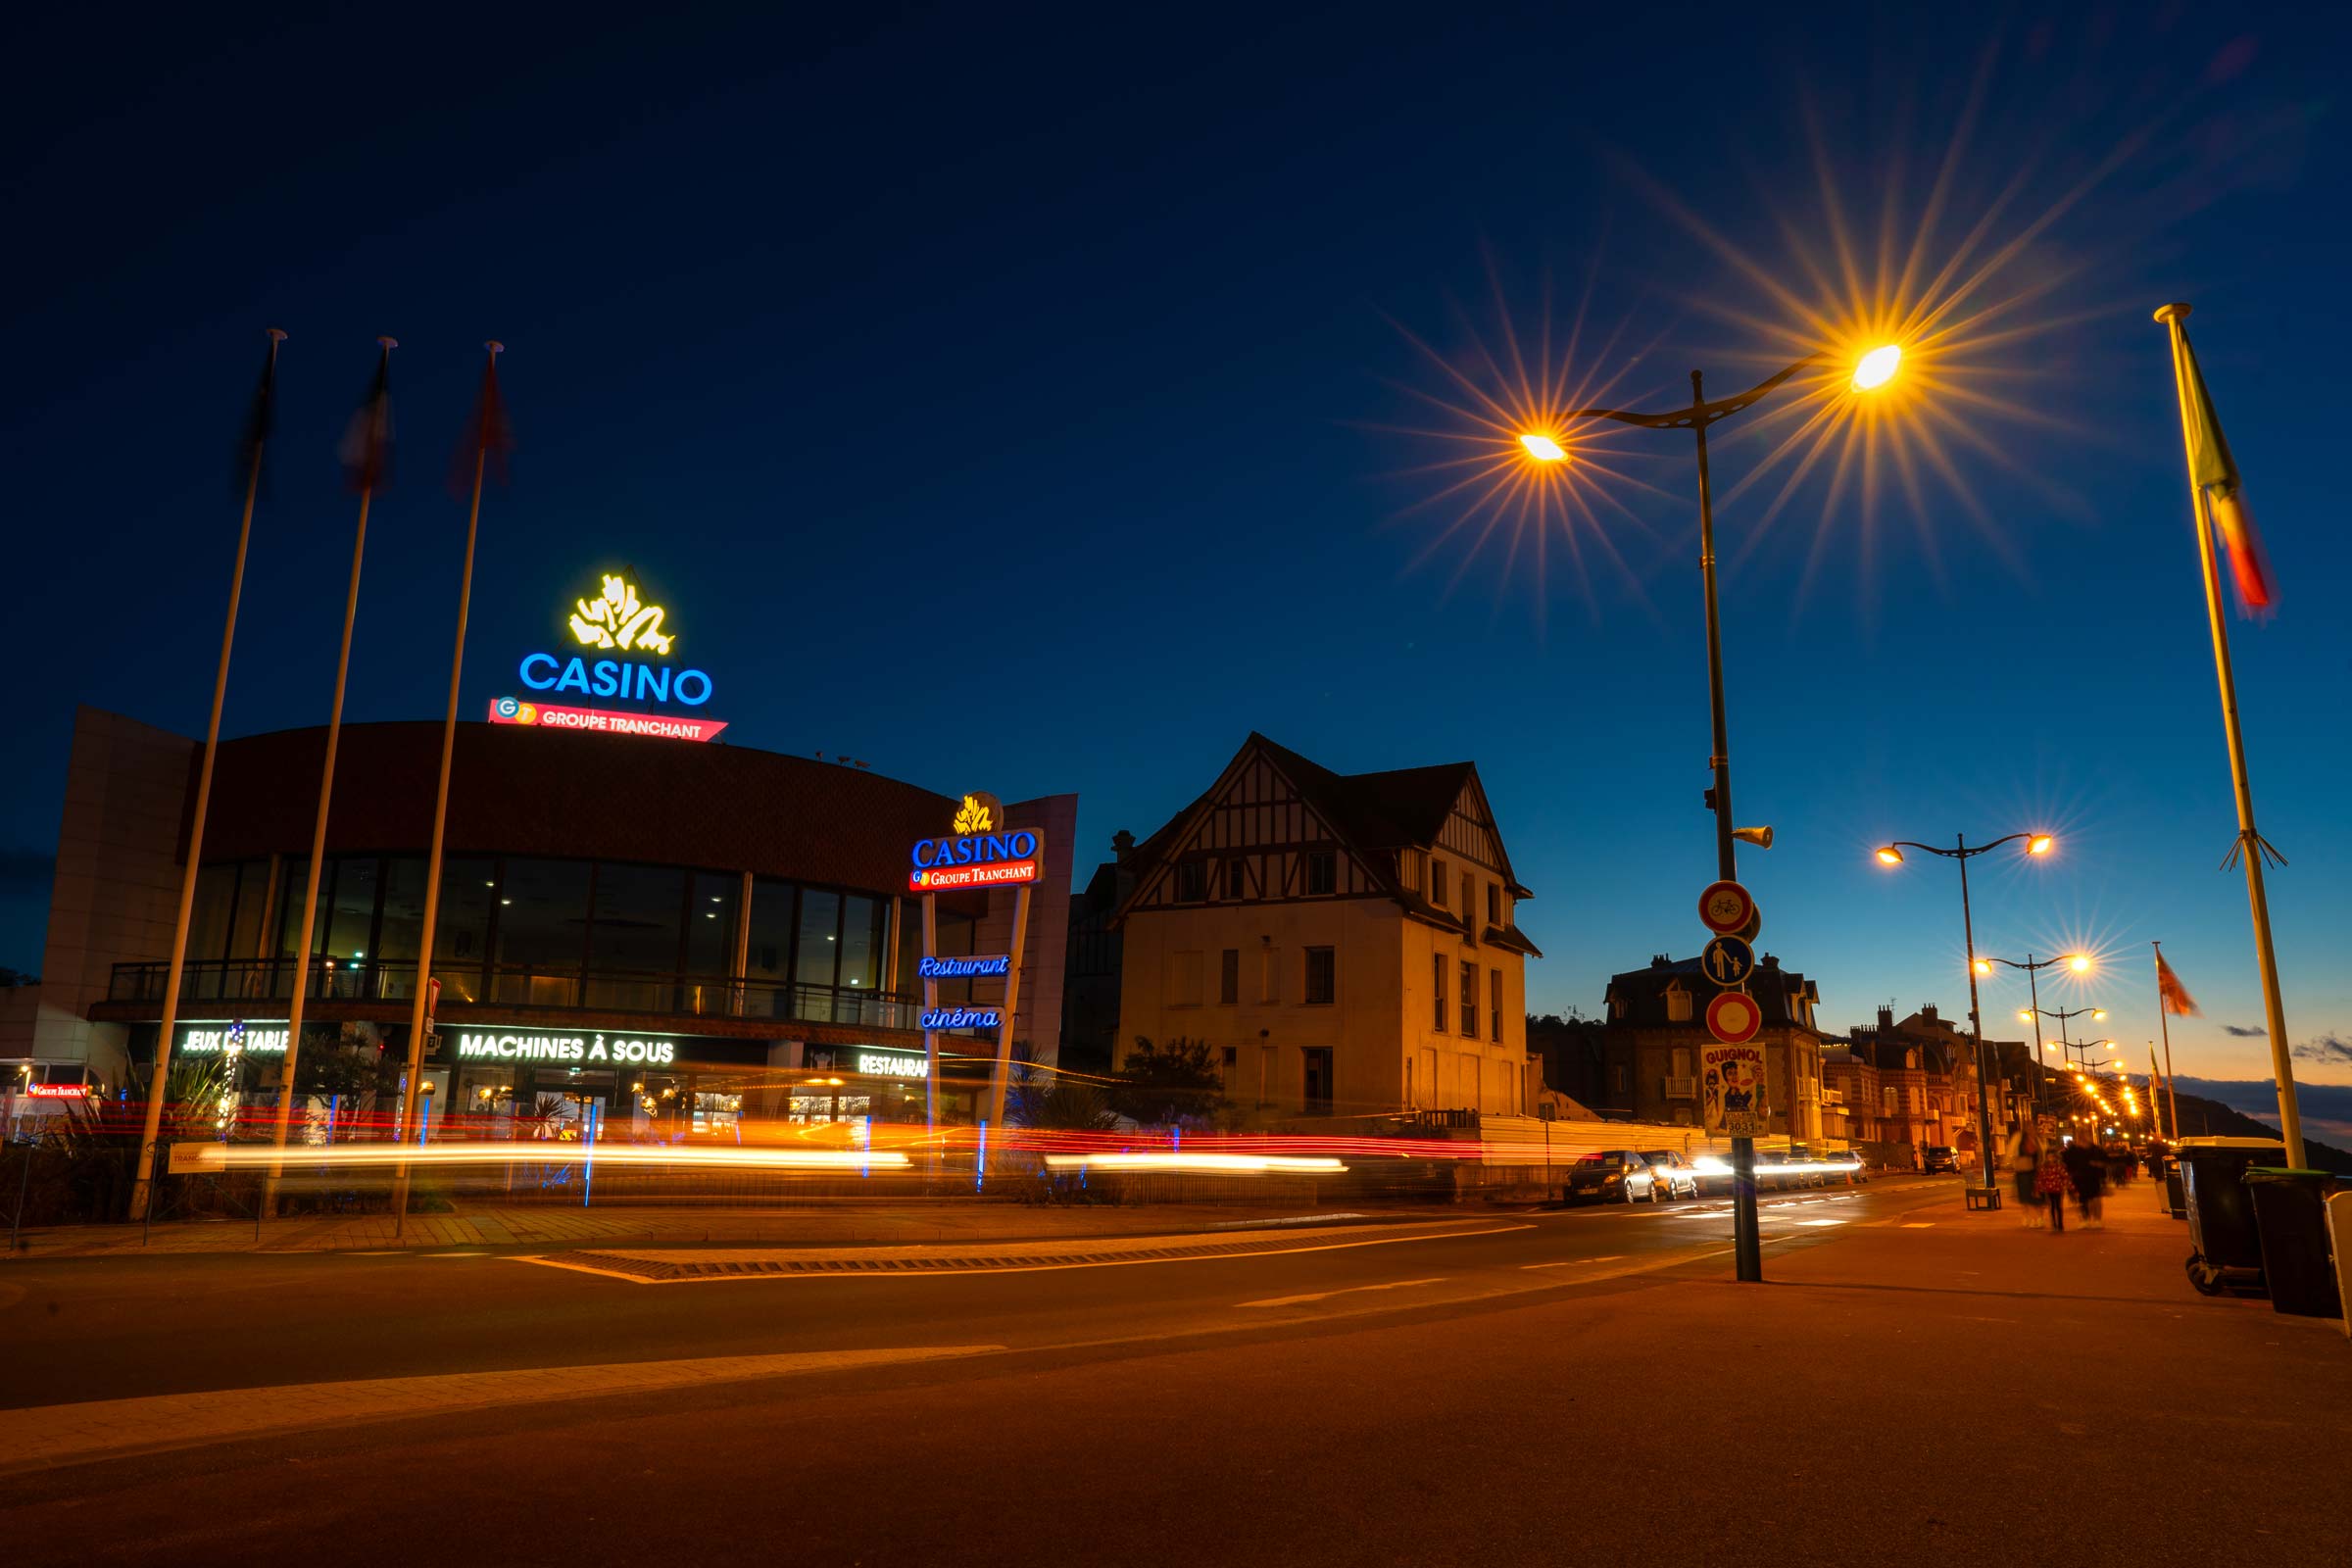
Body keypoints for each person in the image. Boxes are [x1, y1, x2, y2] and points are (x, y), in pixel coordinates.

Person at [2034, 1119, 2071, 1230]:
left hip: (2058, 1189)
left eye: (2052, 1156)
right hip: (2049, 1190)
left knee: (2059, 1206)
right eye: (2049, 1156)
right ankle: (2054, 1223)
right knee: (2052, 1207)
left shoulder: (2059, 1166)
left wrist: (2070, 1187)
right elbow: (2041, 1178)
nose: (2051, 1158)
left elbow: (2065, 1176)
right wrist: (2038, 1189)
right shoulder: (2044, 1167)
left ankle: (2060, 1224)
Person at [2062, 1136, 2106, 1228]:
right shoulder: (2073, 1151)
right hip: (2079, 1178)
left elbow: (2103, 1162)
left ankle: (2097, 1219)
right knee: (2082, 1200)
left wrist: (2102, 1176)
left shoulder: (2096, 1150)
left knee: (2095, 1200)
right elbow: (2066, 1162)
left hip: (2093, 1177)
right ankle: (2084, 1219)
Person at [2010, 1119, 2043, 1227]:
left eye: (2033, 1127)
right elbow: (2012, 1152)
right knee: (2025, 1196)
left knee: (2037, 1196)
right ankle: (2027, 1217)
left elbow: (2042, 1153)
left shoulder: (2038, 1139)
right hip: (2023, 1171)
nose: (2032, 1129)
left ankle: (2038, 1218)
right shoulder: (2019, 1138)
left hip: (2035, 1171)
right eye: (2029, 1127)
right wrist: (2012, 1162)